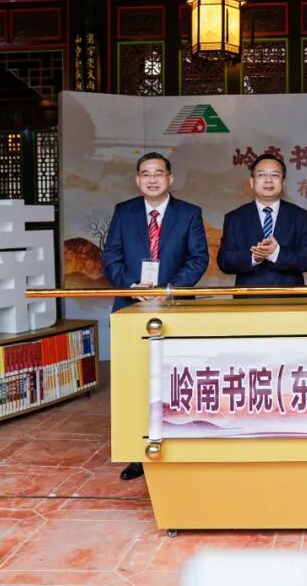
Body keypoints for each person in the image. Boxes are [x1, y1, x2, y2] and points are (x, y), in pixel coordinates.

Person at [102, 151, 209, 480]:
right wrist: (130, 285)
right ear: (137, 180)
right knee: (135, 381)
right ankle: (138, 453)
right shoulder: (124, 212)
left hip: (174, 307)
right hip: (131, 306)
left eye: (158, 173)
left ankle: (181, 446)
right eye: (146, 173)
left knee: (174, 381)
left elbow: (198, 258)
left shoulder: (189, 213)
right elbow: (111, 256)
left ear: (170, 179)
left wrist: (169, 289)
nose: (152, 179)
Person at [217, 153, 307, 288]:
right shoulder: (235, 218)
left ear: (283, 182)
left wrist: (276, 254)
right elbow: (224, 261)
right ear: (252, 182)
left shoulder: (301, 216)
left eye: (275, 175)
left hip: (290, 297)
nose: (268, 180)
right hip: (249, 297)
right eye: (262, 175)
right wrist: (254, 257)